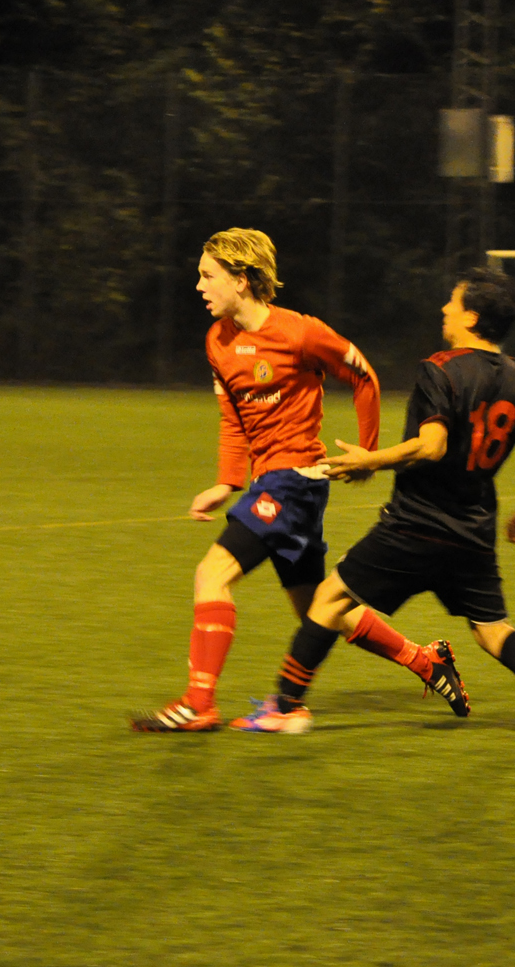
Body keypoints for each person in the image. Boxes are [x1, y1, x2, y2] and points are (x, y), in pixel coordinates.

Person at [240, 267, 515, 746]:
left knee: (329, 599)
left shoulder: (441, 368)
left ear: (471, 316)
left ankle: (285, 709)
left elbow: (432, 446)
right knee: (493, 630)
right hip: (473, 530)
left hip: (414, 523)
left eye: (453, 301)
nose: (445, 308)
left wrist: (369, 460)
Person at [131, 228, 467, 733]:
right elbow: (233, 417)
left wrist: (369, 454)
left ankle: (198, 703)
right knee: (317, 605)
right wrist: (227, 481)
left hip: (296, 481)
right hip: (272, 481)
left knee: (212, 574)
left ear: (241, 280)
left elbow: (364, 376)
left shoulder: (300, 332)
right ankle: (426, 661)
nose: (199, 286)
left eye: (208, 275)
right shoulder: (217, 341)